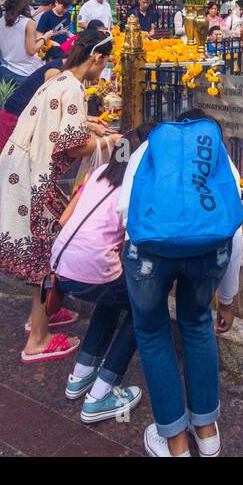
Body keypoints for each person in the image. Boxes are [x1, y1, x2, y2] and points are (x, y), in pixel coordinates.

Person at [116, 108, 243, 457]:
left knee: (154, 333)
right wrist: (228, 300)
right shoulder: (217, 155)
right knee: (197, 323)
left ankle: (175, 443)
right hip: (208, 252)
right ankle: (206, 432)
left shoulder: (148, 148)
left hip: (148, 253)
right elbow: (235, 233)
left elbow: (123, 210)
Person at [0, 27, 120, 363]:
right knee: (46, 257)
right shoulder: (74, 87)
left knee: (46, 248)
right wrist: (109, 142)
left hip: (16, 171)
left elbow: (55, 121)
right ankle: (38, 339)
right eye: (104, 62)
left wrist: (90, 125)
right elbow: (74, 147)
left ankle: (42, 314)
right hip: (33, 178)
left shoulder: (58, 79)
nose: (103, 69)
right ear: (96, 57)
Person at [50, 123, 157, 424]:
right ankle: (101, 393)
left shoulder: (97, 174)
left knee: (112, 299)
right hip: (92, 270)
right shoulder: (137, 188)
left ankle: (81, 374)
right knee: (145, 310)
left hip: (62, 265)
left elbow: (66, 217)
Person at [0, 0, 53, 86]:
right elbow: (31, 50)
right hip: (24, 72)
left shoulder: (2, 20)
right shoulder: (28, 22)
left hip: (4, 69)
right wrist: (45, 37)